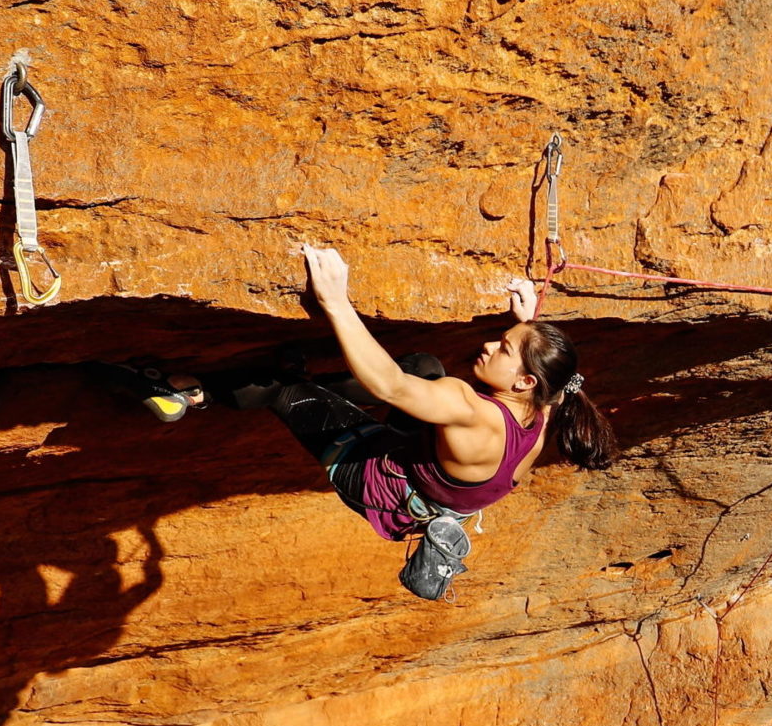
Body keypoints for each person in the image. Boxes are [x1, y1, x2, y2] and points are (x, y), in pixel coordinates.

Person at [162, 250, 616, 598]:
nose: (488, 345)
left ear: (524, 381)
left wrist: (336, 302)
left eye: (503, 348)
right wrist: (529, 325)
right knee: (425, 366)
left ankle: (193, 392)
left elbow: (390, 386)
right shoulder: (542, 414)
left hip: (372, 480)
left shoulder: (470, 409)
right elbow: (549, 381)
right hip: (421, 483)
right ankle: (315, 390)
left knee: (281, 388)